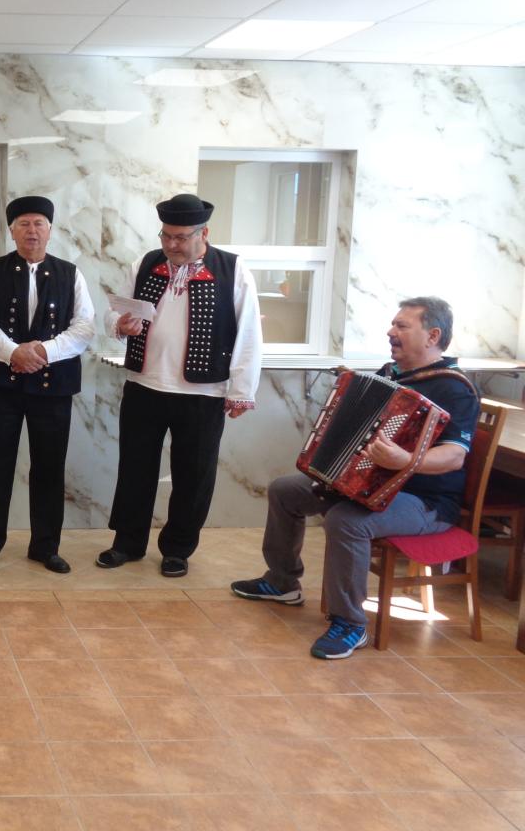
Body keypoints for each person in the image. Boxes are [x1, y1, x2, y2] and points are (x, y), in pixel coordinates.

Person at [232, 298, 479, 659]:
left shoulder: (455, 389)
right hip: (365, 484)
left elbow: (454, 456)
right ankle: (282, 581)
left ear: (433, 336)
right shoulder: (390, 373)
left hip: (425, 502)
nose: (391, 332)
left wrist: (406, 461)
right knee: (286, 490)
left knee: (346, 520)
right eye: (393, 324)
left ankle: (350, 623)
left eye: (402, 326)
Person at [98, 193, 262, 578]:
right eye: (166, 236)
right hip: (144, 386)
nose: (172, 244)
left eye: (181, 237)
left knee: (193, 476)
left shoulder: (233, 270)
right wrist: (119, 325)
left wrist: (241, 390)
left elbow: (249, 333)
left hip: (202, 394)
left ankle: (177, 549)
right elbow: (113, 312)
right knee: (135, 469)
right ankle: (127, 543)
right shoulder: (145, 264)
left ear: (204, 233)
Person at [0, 195, 96, 574]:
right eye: (23, 224)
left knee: (49, 468)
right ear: (11, 231)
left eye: (39, 223)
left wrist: (42, 351)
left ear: (50, 230)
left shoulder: (70, 273)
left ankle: (45, 547)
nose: (32, 231)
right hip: (2, 386)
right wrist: (13, 352)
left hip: (53, 388)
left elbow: (84, 326)